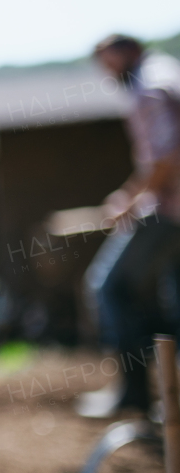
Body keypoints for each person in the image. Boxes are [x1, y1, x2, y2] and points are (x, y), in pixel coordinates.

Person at [84, 34, 180, 415]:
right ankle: (167, 394)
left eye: (108, 62)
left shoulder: (148, 88)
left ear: (128, 51)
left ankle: (136, 394)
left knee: (110, 286)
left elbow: (165, 157)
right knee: (167, 294)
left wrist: (129, 198)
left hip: (170, 210)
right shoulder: (170, 70)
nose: (108, 72)